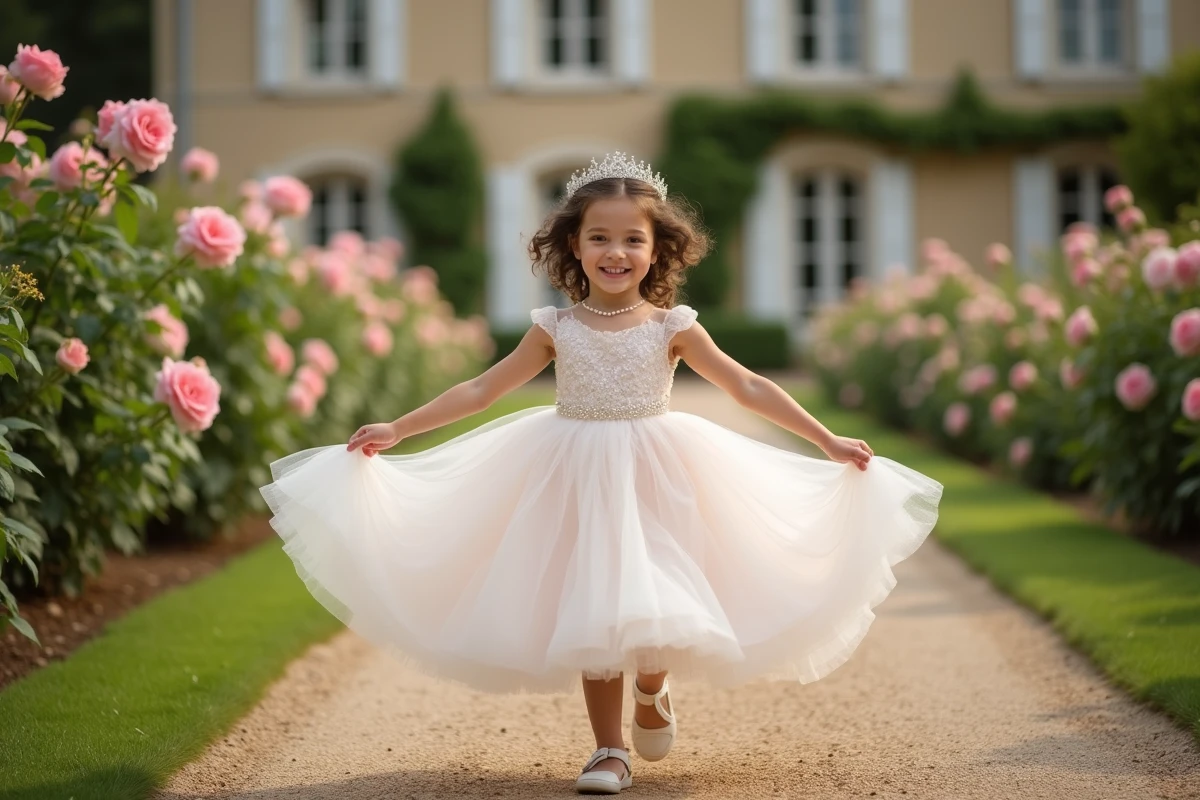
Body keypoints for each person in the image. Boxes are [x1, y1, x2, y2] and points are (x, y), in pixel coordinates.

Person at [260, 152, 943, 795]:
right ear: (573, 247)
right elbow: (480, 390)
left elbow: (748, 386)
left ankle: (653, 682)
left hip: (660, 470)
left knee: (658, 585)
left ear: (657, 250)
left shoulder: (672, 324)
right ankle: (608, 747)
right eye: (600, 239)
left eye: (632, 241)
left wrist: (824, 439)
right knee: (594, 599)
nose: (616, 253)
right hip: (572, 471)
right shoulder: (556, 327)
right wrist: (398, 428)